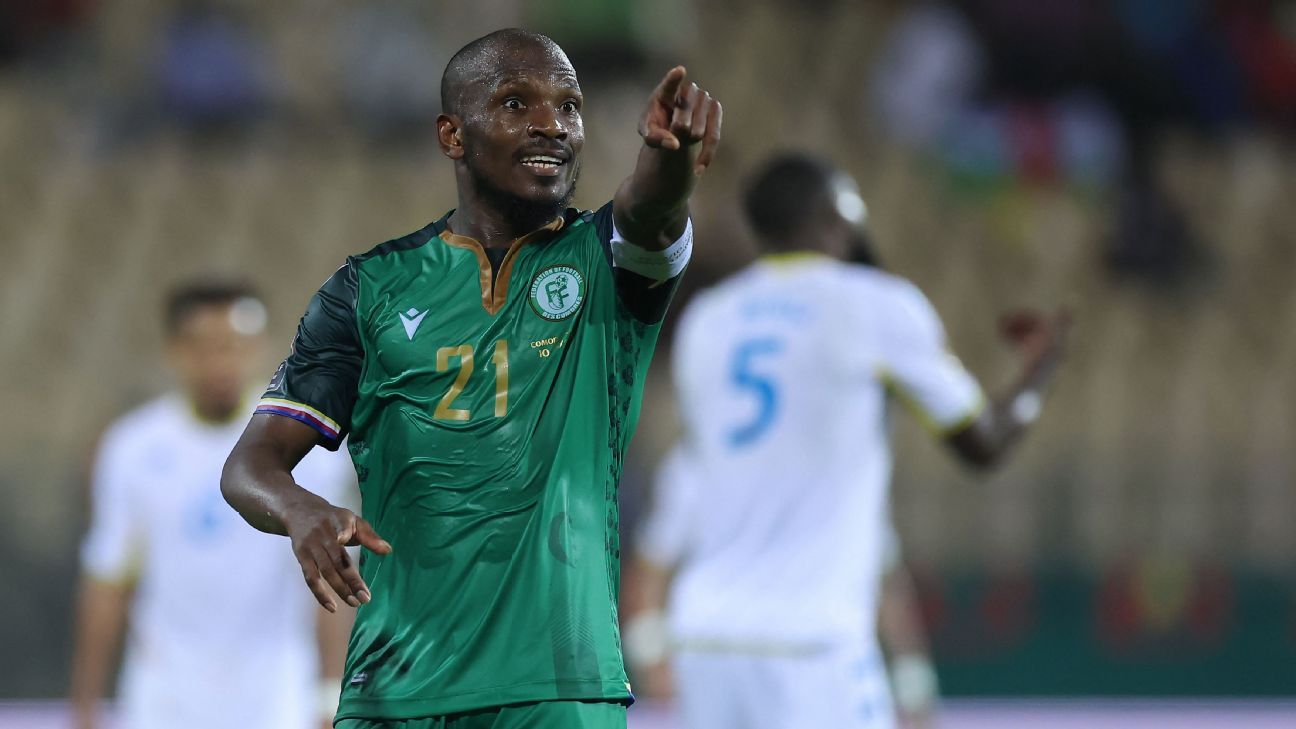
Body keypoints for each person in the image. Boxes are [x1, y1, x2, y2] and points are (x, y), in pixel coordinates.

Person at [220, 28, 722, 729]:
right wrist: (300, 509)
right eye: (517, 103)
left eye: (570, 107)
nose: (552, 123)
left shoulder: (605, 266)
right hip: (395, 690)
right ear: (452, 134)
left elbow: (652, 210)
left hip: (557, 685)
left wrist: (668, 161)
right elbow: (249, 465)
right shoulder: (368, 290)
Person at [622, 152, 1069, 729]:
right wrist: (1039, 374)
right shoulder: (875, 304)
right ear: (840, 218)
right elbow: (985, 445)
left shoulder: (708, 320)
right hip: (814, 643)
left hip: (706, 638)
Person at [70, 279, 357, 729]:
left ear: (260, 348)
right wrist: (84, 706)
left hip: (275, 696)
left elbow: (331, 572)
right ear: (174, 351)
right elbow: (108, 579)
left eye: (236, 345)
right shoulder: (132, 447)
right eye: (206, 346)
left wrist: (331, 694)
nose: (222, 361)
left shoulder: (308, 445)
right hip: (165, 700)